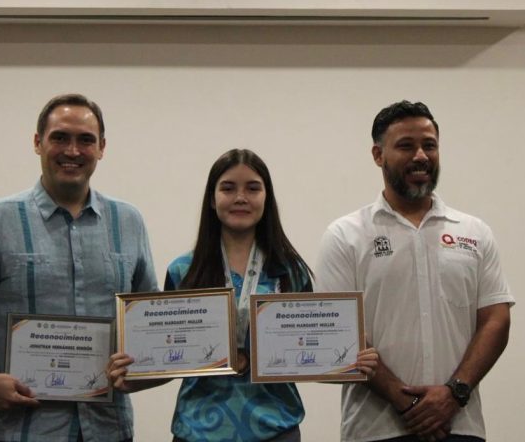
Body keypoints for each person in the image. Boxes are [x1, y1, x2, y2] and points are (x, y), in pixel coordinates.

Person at [108, 148, 378, 442]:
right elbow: (173, 359)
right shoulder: (182, 271)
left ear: (266, 198)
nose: (240, 197)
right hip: (198, 429)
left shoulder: (291, 270)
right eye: (228, 188)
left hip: (276, 428)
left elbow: (306, 356)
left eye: (252, 188)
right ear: (212, 199)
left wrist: (351, 362)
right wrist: (133, 378)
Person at [0, 93, 158, 442]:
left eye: (85, 140)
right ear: (37, 142)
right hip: (22, 429)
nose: (72, 151)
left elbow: (146, 317)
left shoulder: (129, 221)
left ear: (102, 148)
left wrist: (143, 370)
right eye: (60, 137)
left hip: (108, 428)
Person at [314, 100, 514, 442]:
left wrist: (454, 394)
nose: (421, 156)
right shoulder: (346, 235)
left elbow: (495, 320)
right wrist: (406, 402)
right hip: (374, 430)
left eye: (429, 146)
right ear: (378, 155)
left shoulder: (474, 232)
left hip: (459, 425)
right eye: (406, 146)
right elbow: (339, 332)